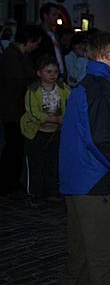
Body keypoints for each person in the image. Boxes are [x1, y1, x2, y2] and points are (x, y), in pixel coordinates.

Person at [58, 31, 110, 285]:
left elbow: (88, 131)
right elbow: (98, 139)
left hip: (78, 180)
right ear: (102, 57)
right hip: (96, 182)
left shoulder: (90, 83)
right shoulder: (102, 88)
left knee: (80, 258)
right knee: (108, 257)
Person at [0, 24, 45, 195]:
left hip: (18, 108)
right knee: (12, 147)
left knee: (16, 147)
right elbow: (17, 82)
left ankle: (11, 182)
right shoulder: (11, 56)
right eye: (36, 43)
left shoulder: (21, 55)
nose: (37, 47)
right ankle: (6, 183)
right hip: (12, 109)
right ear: (29, 41)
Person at [20, 58, 71, 206]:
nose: (52, 75)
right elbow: (33, 113)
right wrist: (54, 119)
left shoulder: (63, 87)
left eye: (55, 71)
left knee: (53, 162)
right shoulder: (33, 90)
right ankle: (34, 194)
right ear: (39, 73)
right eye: (48, 71)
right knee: (35, 164)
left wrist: (65, 118)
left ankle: (51, 191)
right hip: (36, 132)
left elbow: (72, 100)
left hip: (55, 132)